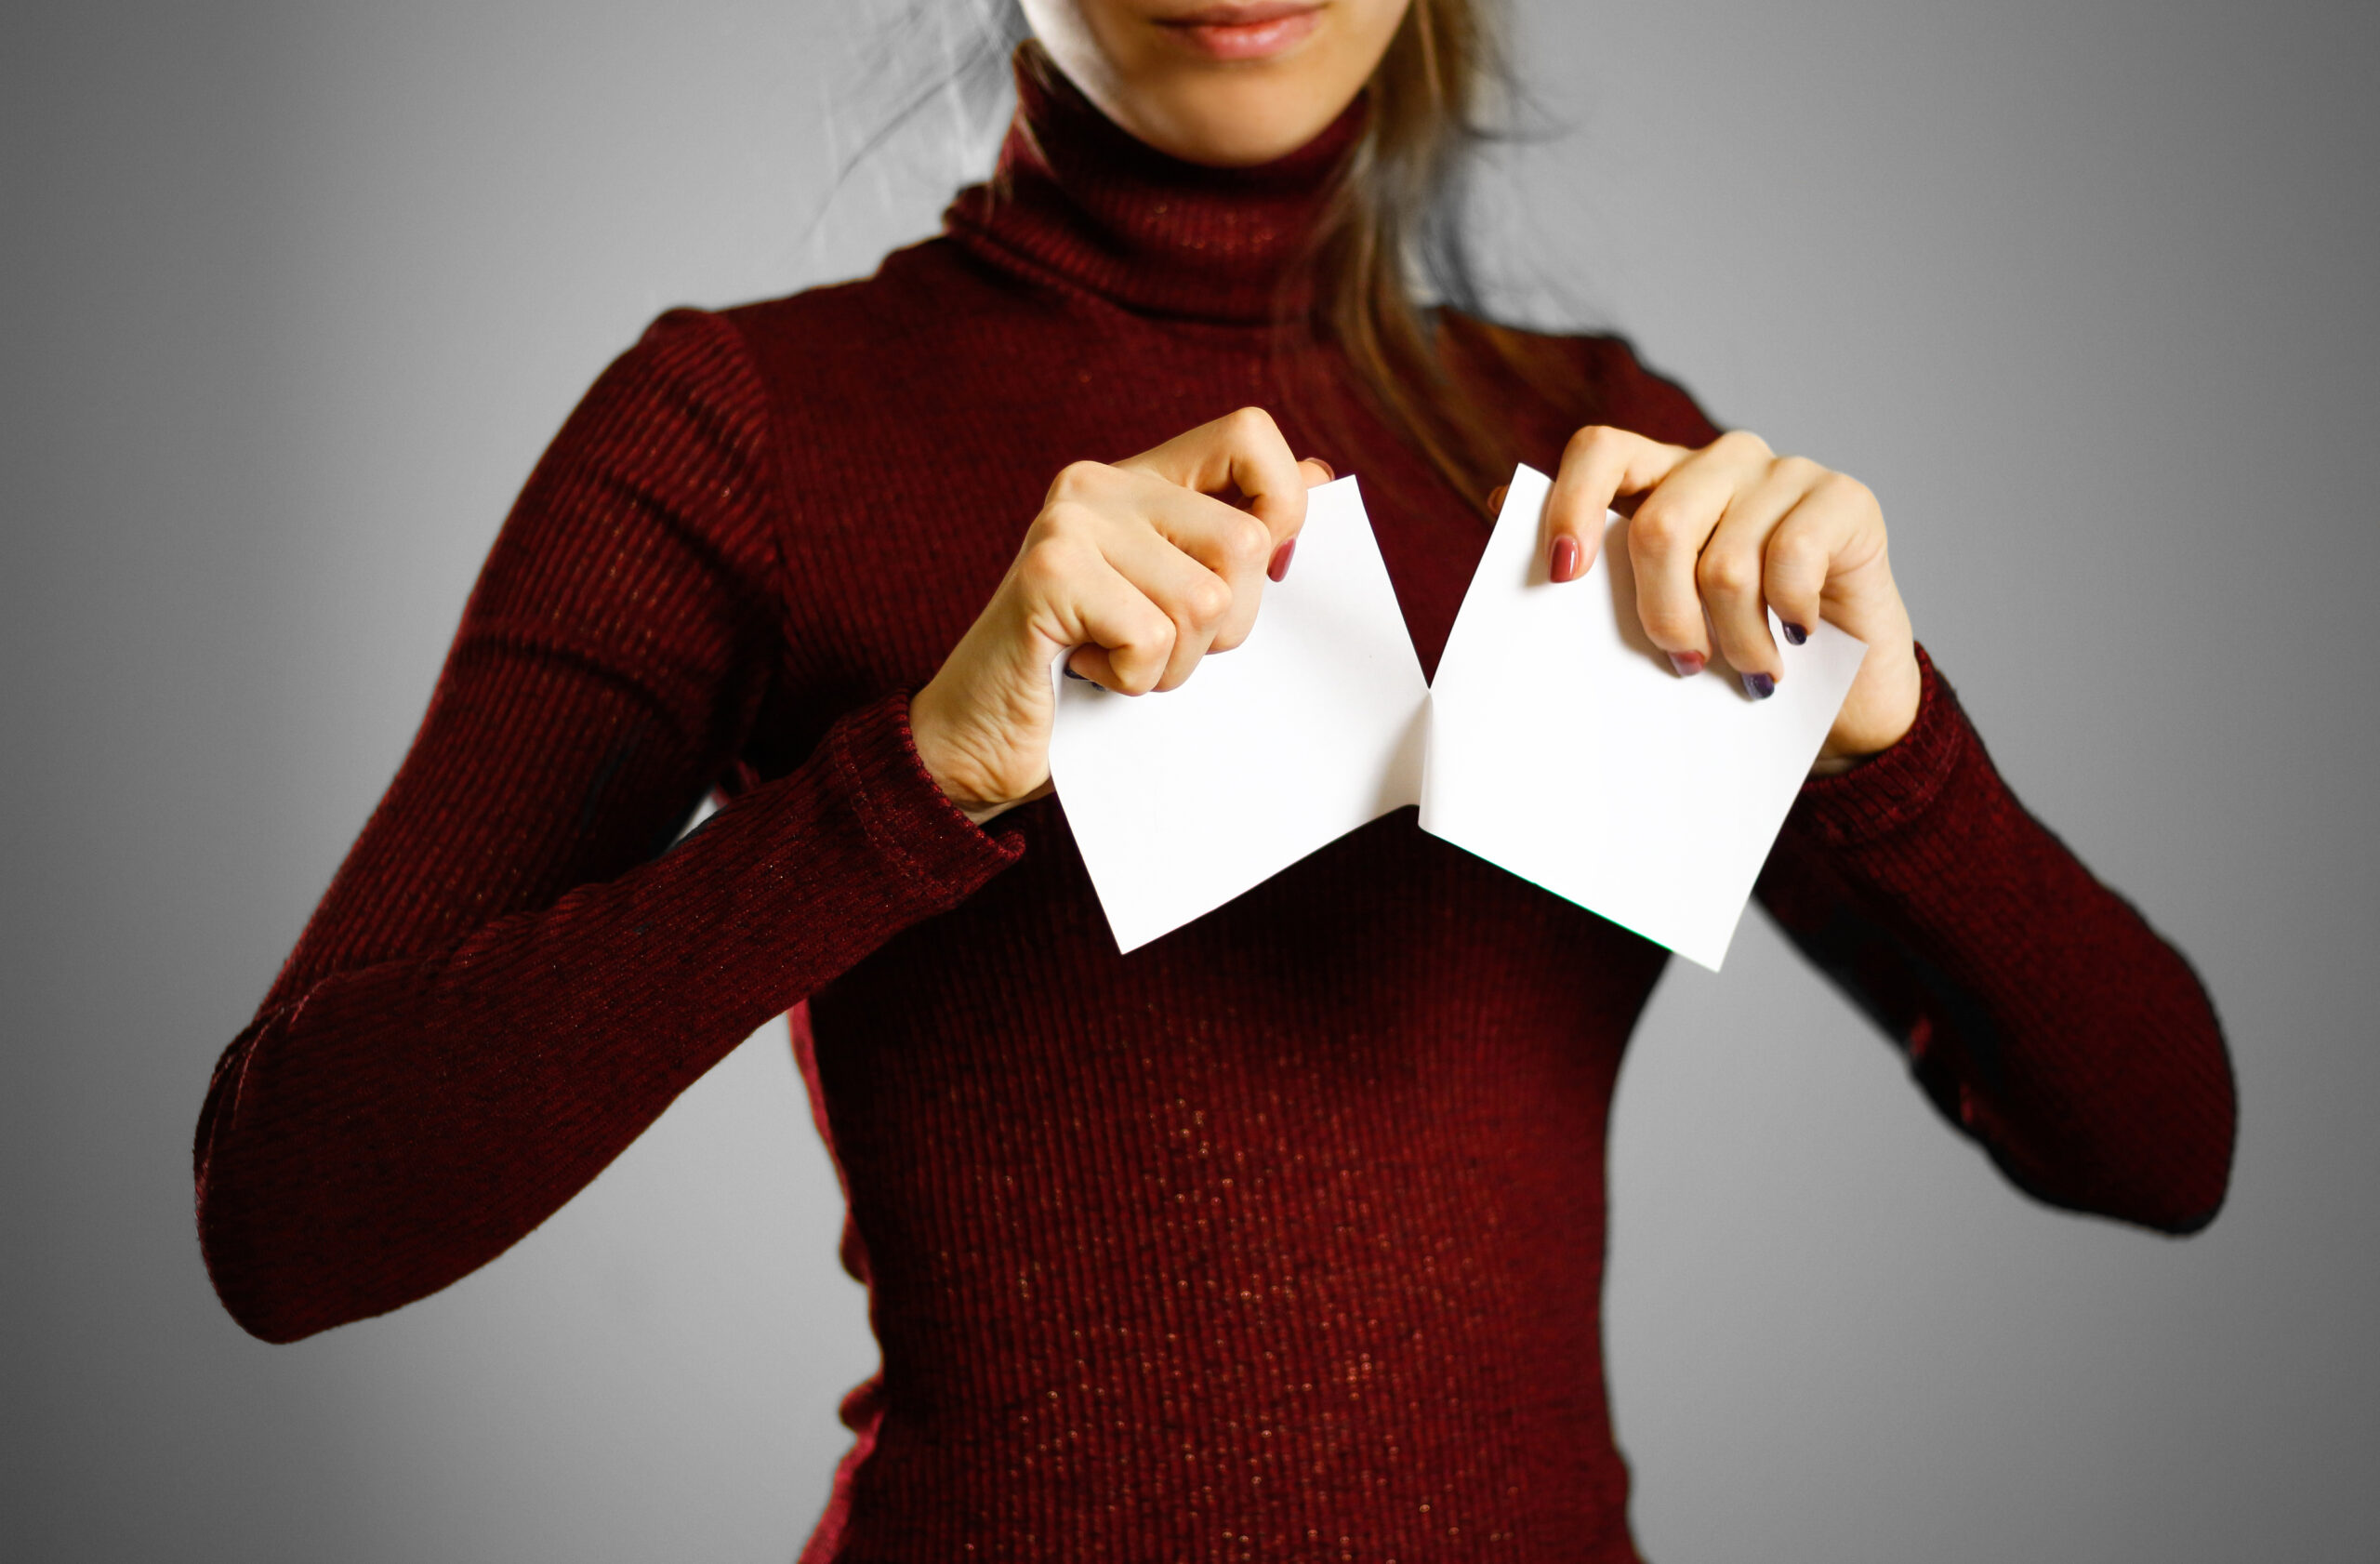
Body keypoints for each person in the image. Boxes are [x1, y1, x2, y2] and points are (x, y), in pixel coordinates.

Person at [192, 2, 2237, 1557]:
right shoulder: (737, 430)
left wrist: (1896, 752)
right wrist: (915, 777)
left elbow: (2160, 1145)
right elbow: (286, 1210)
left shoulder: (1610, 469)